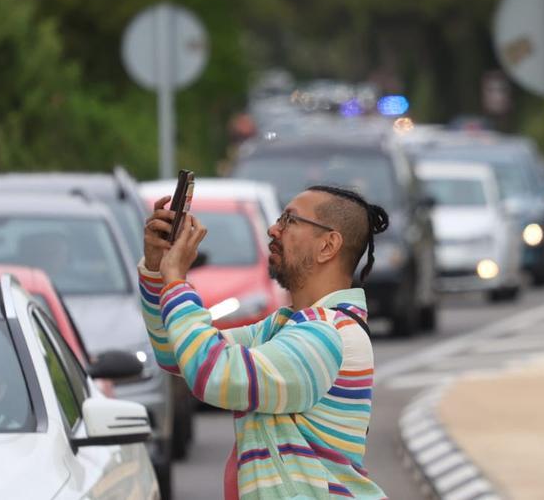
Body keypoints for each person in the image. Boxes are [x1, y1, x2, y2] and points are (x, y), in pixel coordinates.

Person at [139, 185, 388, 499]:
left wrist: (176, 280)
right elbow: (177, 354)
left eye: (288, 221)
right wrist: (155, 269)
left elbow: (213, 374)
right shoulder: (282, 327)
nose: (273, 229)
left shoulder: (327, 335)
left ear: (328, 245)